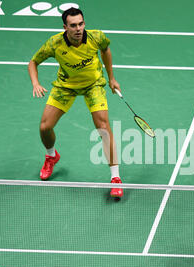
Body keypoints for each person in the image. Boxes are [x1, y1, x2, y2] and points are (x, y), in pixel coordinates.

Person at [28, 7, 123, 198]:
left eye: (80, 24)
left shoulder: (97, 37)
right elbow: (33, 62)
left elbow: (105, 50)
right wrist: (36, 83)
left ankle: (116, 178)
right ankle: (51, 156)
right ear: (65, 27)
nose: (78, 29)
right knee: (45, 127)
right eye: (73, 25)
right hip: (66, 86)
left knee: (103, 127)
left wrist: (112, 78)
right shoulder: (55, 43)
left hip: (93, 85)